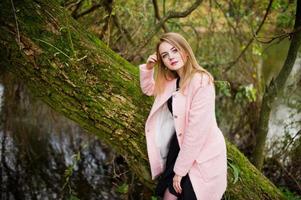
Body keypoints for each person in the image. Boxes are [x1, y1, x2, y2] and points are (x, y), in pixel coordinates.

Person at [139, 32, 227, 200]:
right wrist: (148, 69)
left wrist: (179, 172)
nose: (171, 57)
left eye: (174, 50)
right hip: (180, 147)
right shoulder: (171, 81)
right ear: (162, 61)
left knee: (191, 194)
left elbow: (196, 133)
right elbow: (149, 89)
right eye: (165, 55)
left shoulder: (202, 81)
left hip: (202, 152)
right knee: (169, 196)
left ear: (185, 51)